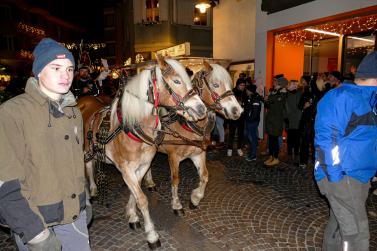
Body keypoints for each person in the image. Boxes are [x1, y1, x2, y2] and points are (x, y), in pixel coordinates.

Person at [0, 38, 90, 251]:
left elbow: (76, 165)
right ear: (39, 71)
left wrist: (84, 202)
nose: (65, 75)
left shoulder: (73, 112)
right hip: (38, 223)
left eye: (69, 69)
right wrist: (35, 234)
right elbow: (6, 181)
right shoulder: (12, 112)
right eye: (56, 67)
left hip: (74, 218)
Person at [314, 51, 377, 251]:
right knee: (356, 234)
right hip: (343, 175)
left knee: (338, 226)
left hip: (360, 177)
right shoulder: (342, 96)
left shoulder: (370, 101)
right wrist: (336, 179)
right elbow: (326, 140)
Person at [264, 75, 288, 166]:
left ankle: (276, 158)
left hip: (277, 120)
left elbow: (277, 106)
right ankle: (271, 156)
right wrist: (266, 100)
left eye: (275, 82)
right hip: (271, 119)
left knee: (275, 140)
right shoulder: (274, 93)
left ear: (280, 84)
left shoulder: (283, 94)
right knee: (271, 140)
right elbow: (269, 105)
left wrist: (270, 97)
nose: (273, 83)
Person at [227, 78, 247, 157]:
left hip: (241, 117)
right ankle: (230, 148)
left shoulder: (245, 93)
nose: (242, 87)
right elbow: (228, 103)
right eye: (241, 85)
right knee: (231, 133)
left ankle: (239, 148)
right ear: (237, 85)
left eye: (244, 85)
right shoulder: (232, 92)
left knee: (240, 134)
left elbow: (247, 104)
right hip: (233, 117)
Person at [284, 80, 302, 163]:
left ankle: (296, 156)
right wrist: (285, 118)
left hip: (297, 120)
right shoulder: (286, 95)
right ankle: (290, 155)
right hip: (289, 120)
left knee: (297, 139)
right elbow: (284, 107)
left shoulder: (299, 94)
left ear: (294, 86)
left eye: (289, 84)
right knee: (290, 139)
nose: (288, 86)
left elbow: (300, 108)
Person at [244, 83, 262, 161]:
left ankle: (253, 155)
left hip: (252, 121)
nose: (246, 91)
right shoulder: (250, 97)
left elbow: (255, 112)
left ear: (250, 91)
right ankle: (251, 152)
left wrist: (250, 120)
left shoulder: (255, 98)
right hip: (248, 120)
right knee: (249, 136)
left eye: (247, 90)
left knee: (252, 138)